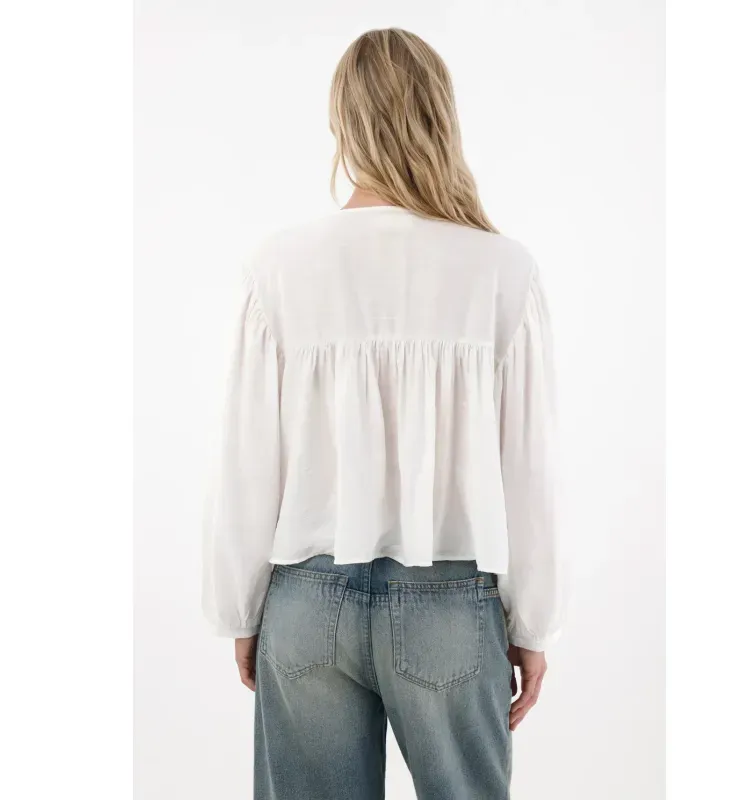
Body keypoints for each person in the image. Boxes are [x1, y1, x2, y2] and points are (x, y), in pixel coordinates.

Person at [202, 27, 560, 800]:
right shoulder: (501, 269)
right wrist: (531, 623)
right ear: (441, 115)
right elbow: (528, 467)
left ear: (342, 121)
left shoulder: (279, 266)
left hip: (305, 607)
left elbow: (247, 461)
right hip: (450, 606)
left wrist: (242, 607)